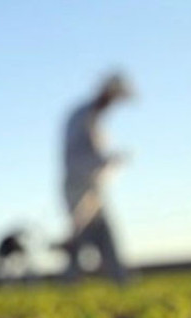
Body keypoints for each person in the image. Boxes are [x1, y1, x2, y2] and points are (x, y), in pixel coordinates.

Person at [58, 72, 133, 284]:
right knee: (82, 234)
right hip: (78, 187)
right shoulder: (82, 117)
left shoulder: (93, 119)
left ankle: (119, 279)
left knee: (102, 233)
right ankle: (71, 282)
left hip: (92, 187)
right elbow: (77, 156)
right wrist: (107, 160)